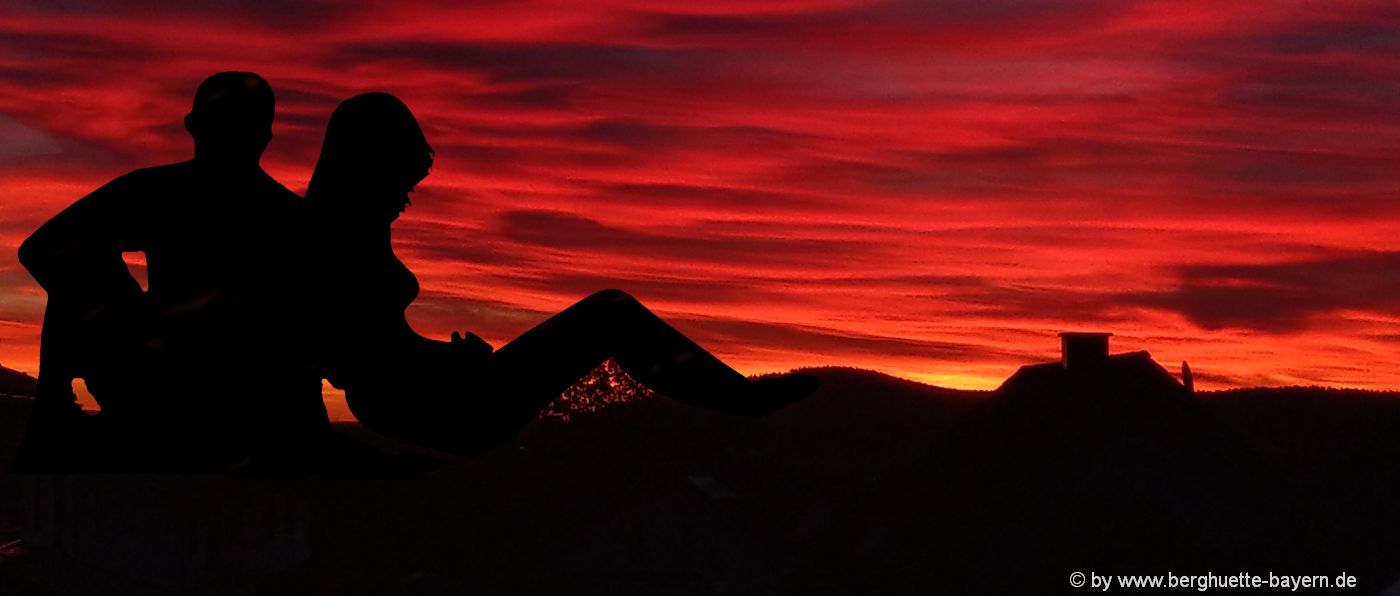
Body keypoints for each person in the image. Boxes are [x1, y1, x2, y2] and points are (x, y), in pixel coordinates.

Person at [304, 93, 817, 453]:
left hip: (430, 391)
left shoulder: (360, 228)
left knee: (608, 317)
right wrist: (443, 364)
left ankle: (738, 398)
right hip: (426, 406)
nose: (407, 198)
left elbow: (385, 344)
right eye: (403, 182)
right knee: (609, 314)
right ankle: (742, 401)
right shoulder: (328, 237)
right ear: (370, 167)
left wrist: (447, 355)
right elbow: (353, 356)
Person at [15, 72, 329, 472]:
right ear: (266, 134)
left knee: (74, 278)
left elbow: (45, 249)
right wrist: (126, 303)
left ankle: (53, 425)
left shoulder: (163, 192)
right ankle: (55, 419)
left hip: (190, 387)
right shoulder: (284, 215)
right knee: (76, 274)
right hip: (180, 381)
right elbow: (44, 249)